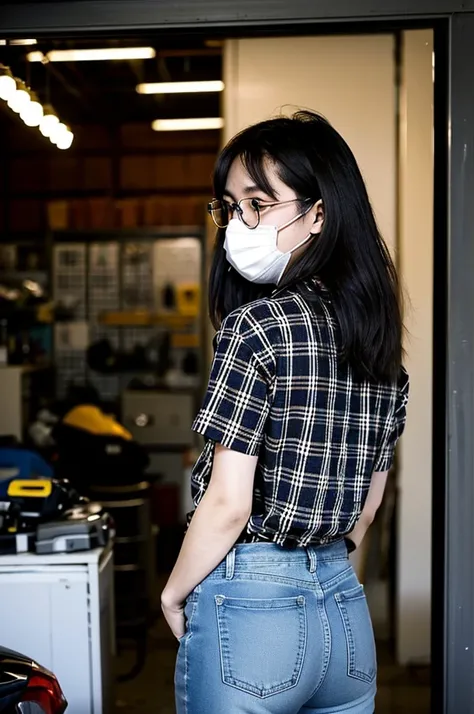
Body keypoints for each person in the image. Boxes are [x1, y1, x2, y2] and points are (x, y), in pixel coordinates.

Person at [161, 110, 409, 714]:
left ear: (318, 213)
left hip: (253, 610)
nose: (238, 224)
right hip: (345, 611)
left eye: (259, 203)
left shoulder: (259, 328)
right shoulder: (379, 346)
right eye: (229, 206)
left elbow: (228, 501)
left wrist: (173, 593)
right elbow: (368, 508)